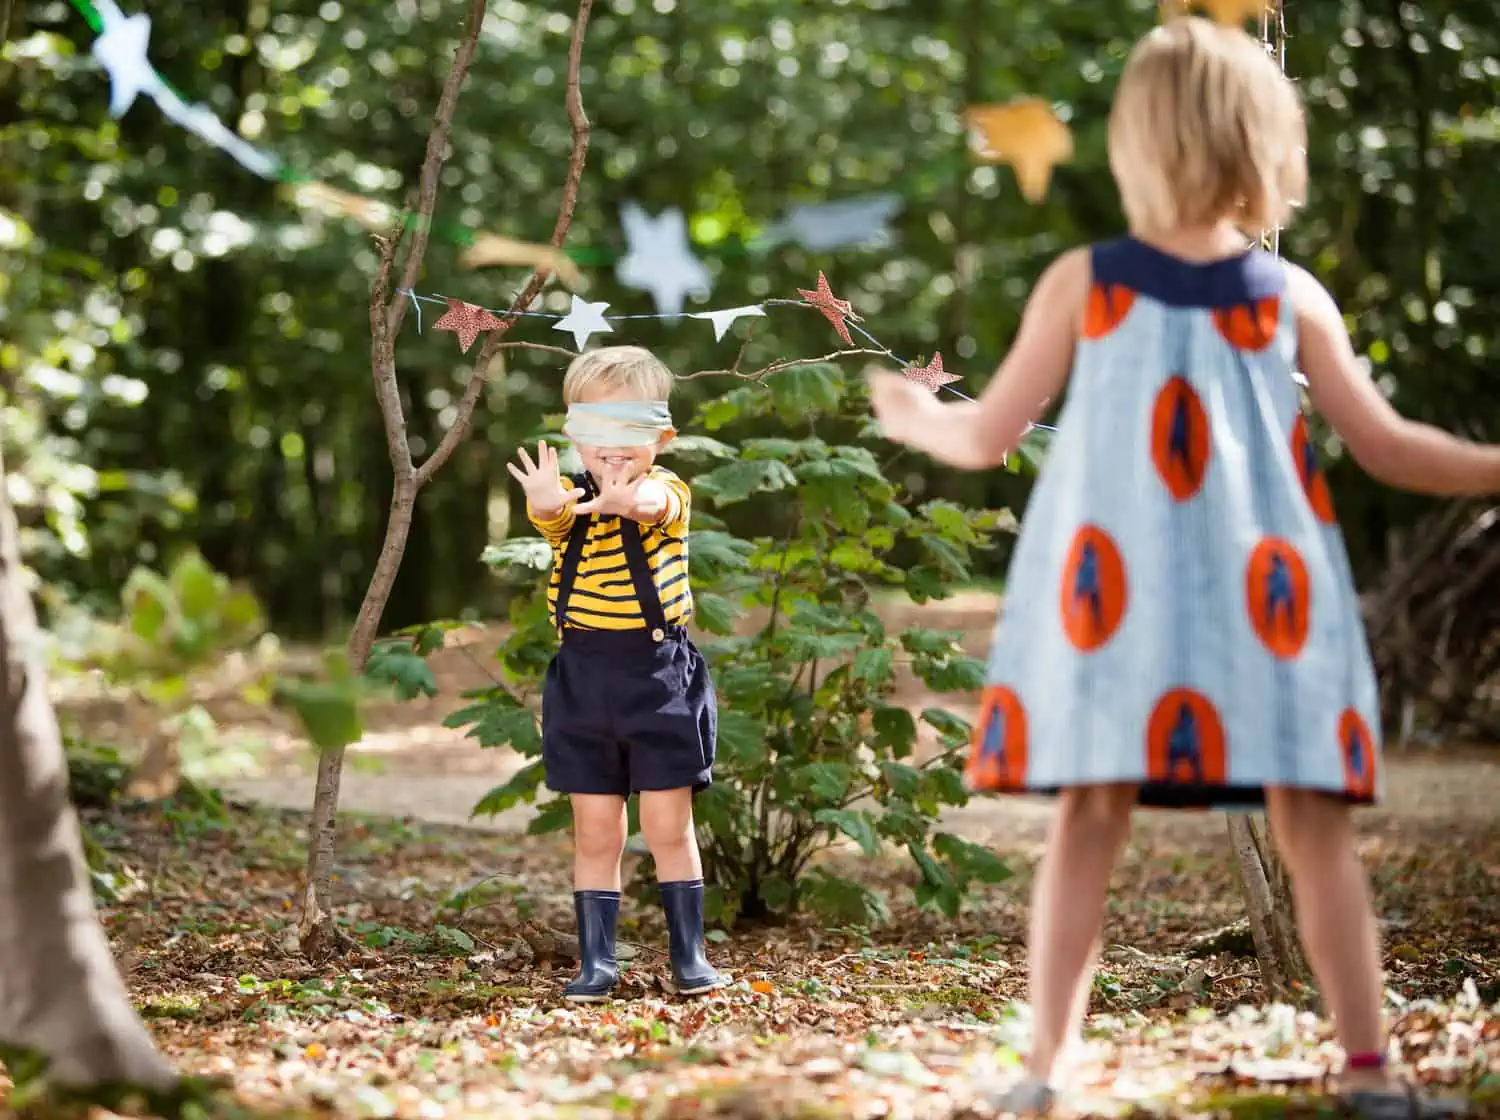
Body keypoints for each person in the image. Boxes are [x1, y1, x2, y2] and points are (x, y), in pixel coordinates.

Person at [869, 16, 1489, 1118]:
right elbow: (1391, 448)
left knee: (1087, 821)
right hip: (1274, 603)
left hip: (1116, 607)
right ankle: (1369, 1078)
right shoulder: (1286, 296)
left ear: (1136, 144)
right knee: (1317, 831)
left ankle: (1044, 1073)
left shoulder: (1084, 280)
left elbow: (984, 438)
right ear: (1265, 146)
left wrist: (915, 414)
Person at [507, 345, 728, 1003]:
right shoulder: (569, 504)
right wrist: (547, 500)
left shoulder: (670, 492)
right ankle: (597, 962)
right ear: (574, 434)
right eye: (598, 431)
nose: (614, 449)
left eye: (631, 433)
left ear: (660, 437)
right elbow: (550, 518)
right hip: (583, 683)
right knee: (596, 831)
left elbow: (655, 504)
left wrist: (633, 499)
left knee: (667, 827)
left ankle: (689, 955)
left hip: (657, 680)